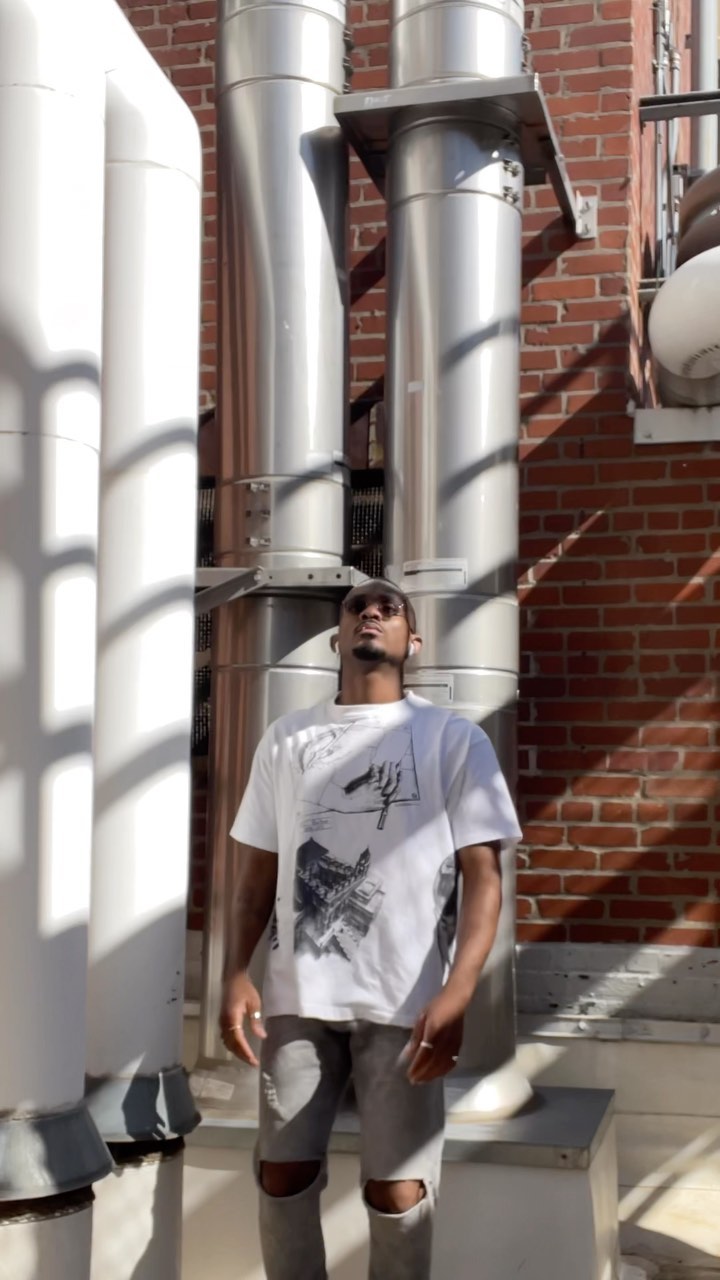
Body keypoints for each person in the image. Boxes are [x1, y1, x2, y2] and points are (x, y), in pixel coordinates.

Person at [219, 578, 522, 1280]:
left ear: (413, 641)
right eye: (358, 606)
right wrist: (234, 971)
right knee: (282, 1174)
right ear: (337, 637)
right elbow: (258, 873)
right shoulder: (288, 737)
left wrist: (459, 990)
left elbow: (484, 879)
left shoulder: (454, 739)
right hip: (297, 997)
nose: (372, 612)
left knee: (399, 1190)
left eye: (390, 609)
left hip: (404, 998)